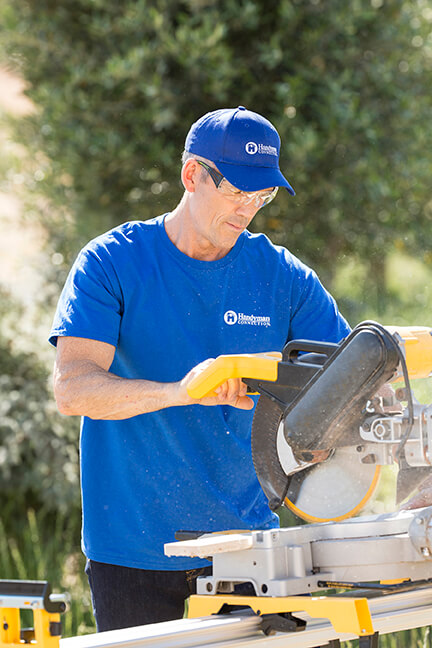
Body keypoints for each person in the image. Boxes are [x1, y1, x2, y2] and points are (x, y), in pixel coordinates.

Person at [50, 106, 351, 631]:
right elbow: (74, 391)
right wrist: (182, 391)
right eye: (237, 191)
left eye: (262, 196)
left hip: (249, 549)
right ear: (192, 174)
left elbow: (353, 375)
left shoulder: (283, 277)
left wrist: (326, 427)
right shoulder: (110, 263)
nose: (247, 210)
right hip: (133, 548)